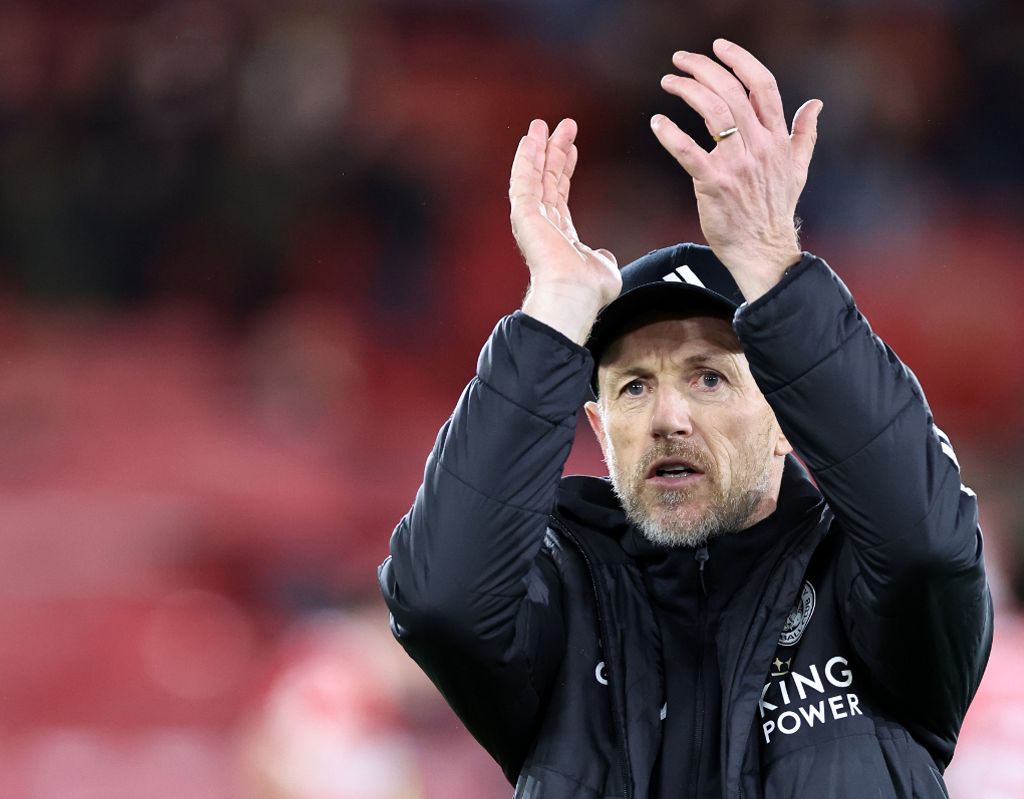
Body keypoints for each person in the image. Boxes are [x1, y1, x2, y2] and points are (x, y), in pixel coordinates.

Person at [379, 39, 992, 798]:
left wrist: (773, 261)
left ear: (784, 421)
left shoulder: (863, 593)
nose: (669, 416)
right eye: (634, 387)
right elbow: (441, 600)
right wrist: (555, 311)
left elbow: (929, 546)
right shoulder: (564, 610)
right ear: (602, 435)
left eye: (707, 377)